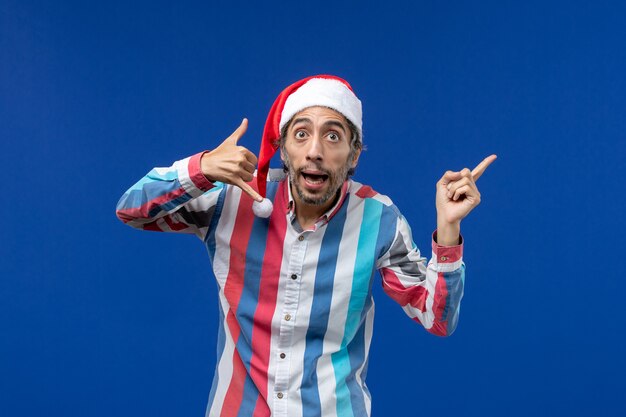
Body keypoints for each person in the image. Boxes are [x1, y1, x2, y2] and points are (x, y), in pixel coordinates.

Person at [116, 75, 495, 417]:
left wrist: (448, 228)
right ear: (283, 149)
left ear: (354, 154)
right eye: (301, 134)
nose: (315, 150)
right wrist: (199, 169)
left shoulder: (379, 219)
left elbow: (438, 319)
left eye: (333, 136)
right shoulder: (232, 200)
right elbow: (131, 210)